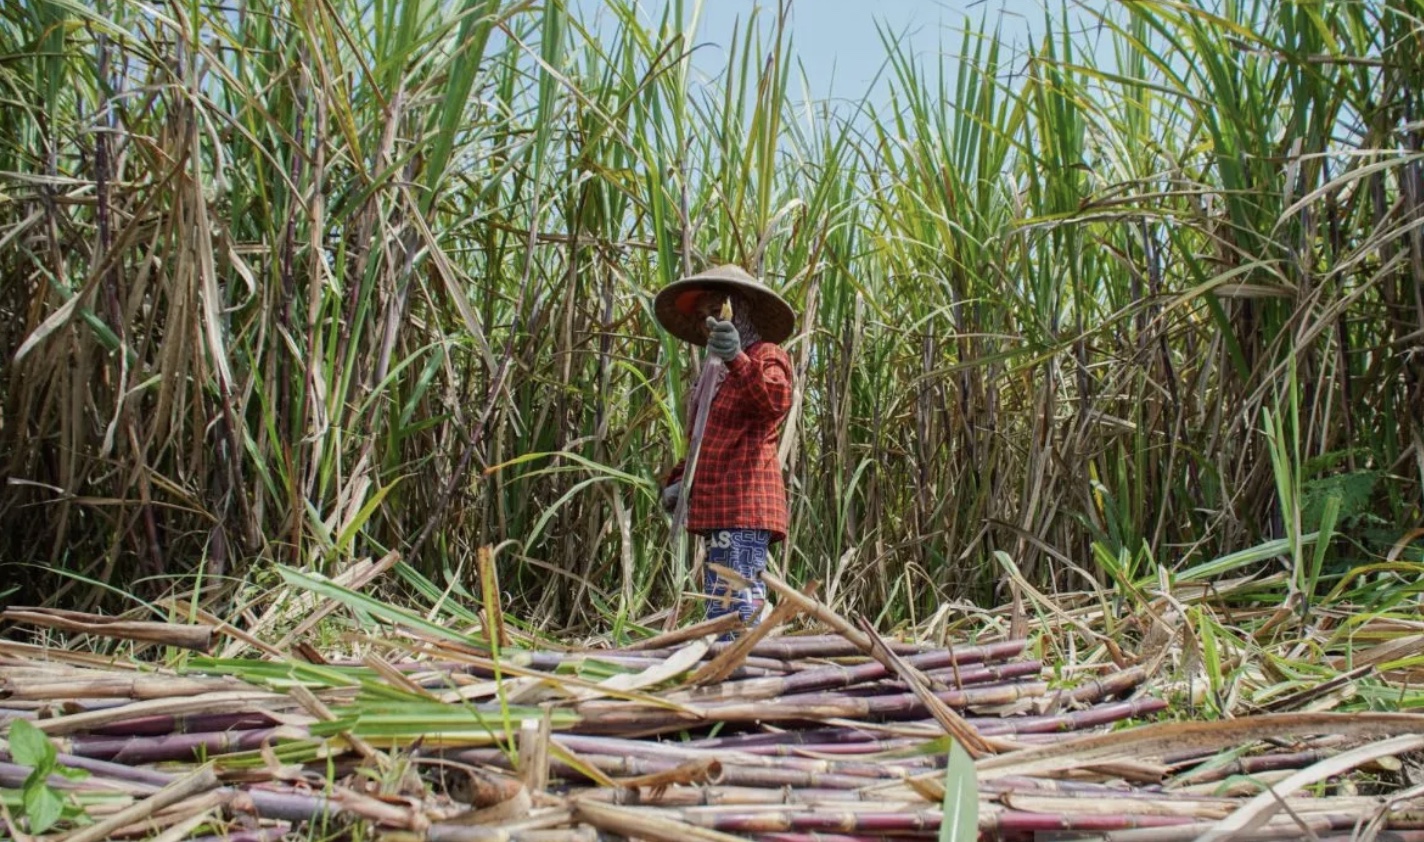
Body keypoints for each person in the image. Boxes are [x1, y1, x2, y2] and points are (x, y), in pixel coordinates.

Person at [653, 264, 796, 631]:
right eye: (702, 317)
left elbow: (775, 400)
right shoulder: (711, 376)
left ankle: (740, 671)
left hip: (745, 502)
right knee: (724, 598)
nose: (708, 322)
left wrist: (738, 359)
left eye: (717, 311)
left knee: (734, 603)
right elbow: (702, 439)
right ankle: (742, 667)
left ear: (740, 310)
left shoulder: (767, 355)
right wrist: (681, 480)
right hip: (719, 507)